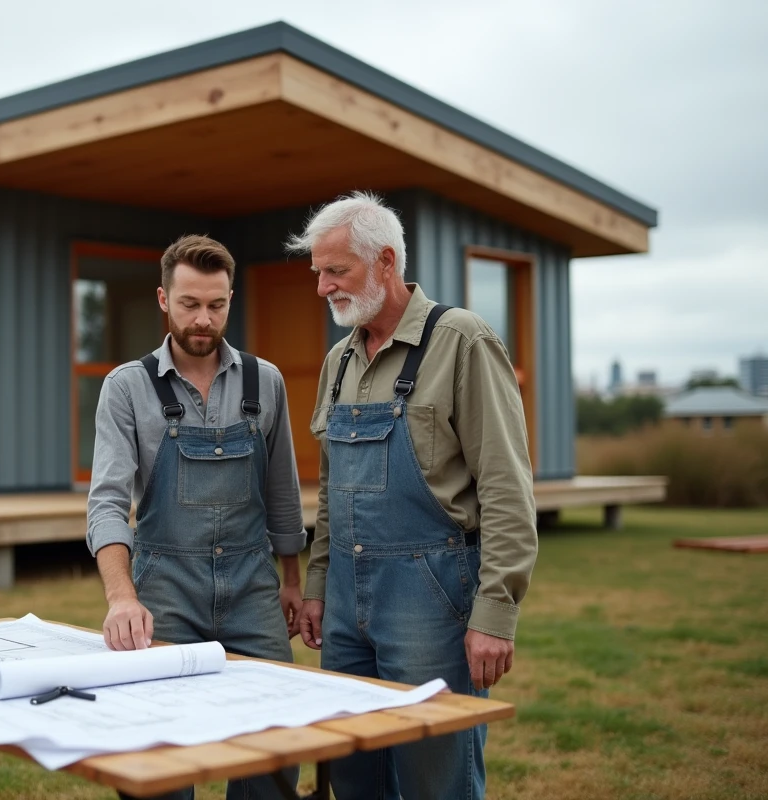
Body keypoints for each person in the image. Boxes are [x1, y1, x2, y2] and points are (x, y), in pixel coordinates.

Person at [290, 192, 538, 800]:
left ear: (384, 262)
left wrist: (496, 615)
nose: (322, 287)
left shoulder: (462, 341)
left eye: (336, 270)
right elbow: (331, 492)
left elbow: (507, 488)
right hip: (345, 606)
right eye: (317, 272)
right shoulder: (338, 362)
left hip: (431, 602)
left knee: (437, 778)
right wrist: (320, 587)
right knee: (352, 775)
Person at [86, 234, 306, 800]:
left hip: (254, 593)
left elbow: (283, 493)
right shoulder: (127, 387)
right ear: (163, 299)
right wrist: (121, 597)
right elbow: (108, 502)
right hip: (165, 595)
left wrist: (292, 581)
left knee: (275, 749)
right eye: (190, 304)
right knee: (156, 760)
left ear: (231, 299)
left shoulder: (267, 381)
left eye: (217, 304)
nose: (203, 319)